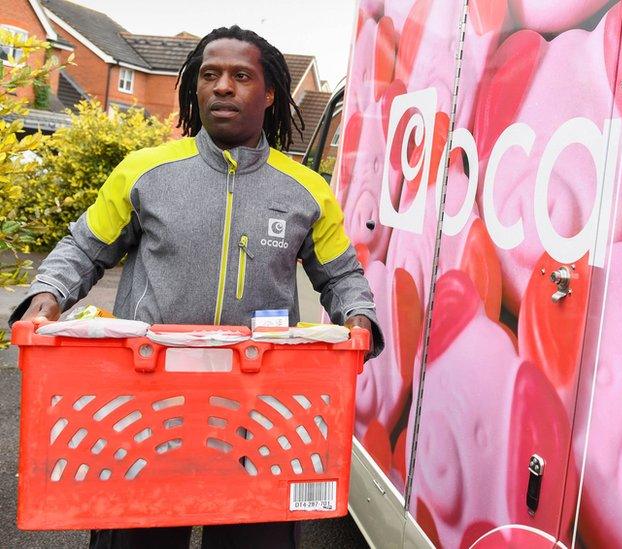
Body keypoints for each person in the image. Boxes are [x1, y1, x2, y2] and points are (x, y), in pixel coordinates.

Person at [8, 25, 384, 548]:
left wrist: (357, 319)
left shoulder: (306, 192)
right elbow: (85, 247)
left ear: (270, 92)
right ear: (196, 87)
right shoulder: (146, 172)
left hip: (261, 420)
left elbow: (341, 275)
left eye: (241, 76)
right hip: (147, 414)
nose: (222, 87)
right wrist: (44, 297)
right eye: (210, 75)